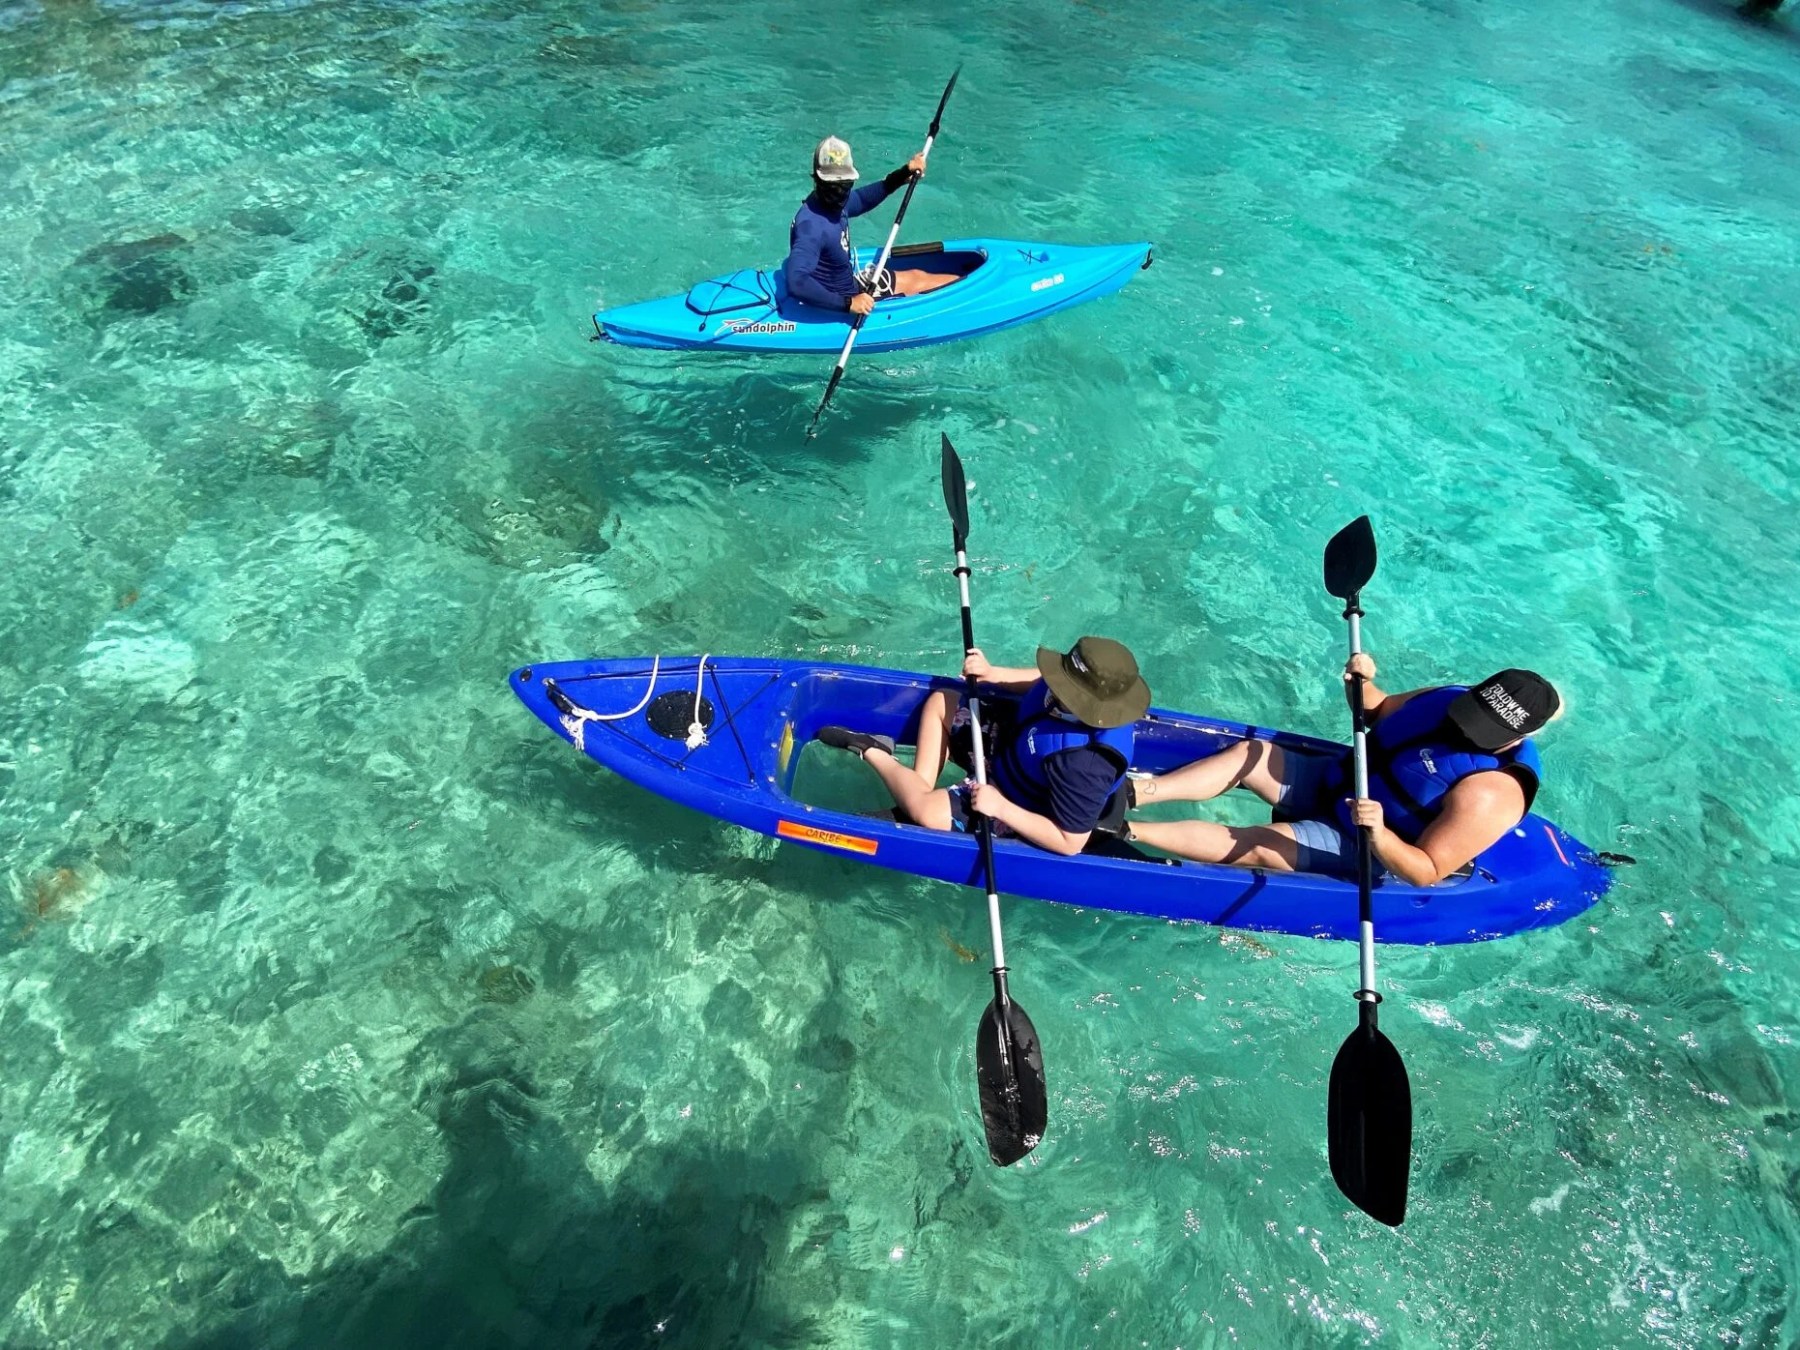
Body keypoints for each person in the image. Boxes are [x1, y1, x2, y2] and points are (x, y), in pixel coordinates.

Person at [1126, 658, 1561, 886]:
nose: (1464, 726)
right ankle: (1133, 794)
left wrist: (1380, 834)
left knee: (1259, 844)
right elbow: (1375, 709)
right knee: (1254, 754)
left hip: (1366, 842)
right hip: (1339, 784)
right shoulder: (1446, 697)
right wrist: (1360, 681)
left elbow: (1426, 869)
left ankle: (1124, 830)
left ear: (1520, 736)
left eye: (1483, 731)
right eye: (1471, 712)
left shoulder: (1493, 791)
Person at [816, 637, 1151, 856]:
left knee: (929, 814)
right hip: (1011, 749)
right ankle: (918, 789)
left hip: (1020, 800)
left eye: (1065, 691)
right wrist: (994, 673)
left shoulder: (1084, 766)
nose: (1054, 688)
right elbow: (1039, 678)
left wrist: (1001, 808)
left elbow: (1070, 842)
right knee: (942, 702)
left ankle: (874, 752)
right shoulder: (1064, 687)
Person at [784, 135, 961, 314]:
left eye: (845, 184)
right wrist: (849, 304)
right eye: (832, 185)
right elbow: (797, 281)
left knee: (919, 276)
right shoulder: (811, 226)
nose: (839, 192)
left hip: (852, 285)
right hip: (843, 301)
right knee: (935, 289)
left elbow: (861, 199)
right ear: (818, 179)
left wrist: (903, 173)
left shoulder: (832, 201)